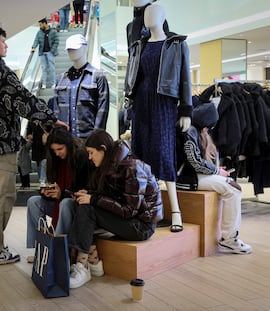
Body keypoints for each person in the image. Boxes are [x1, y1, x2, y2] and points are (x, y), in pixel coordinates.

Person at [0, 26, 68, 267]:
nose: (6, 45)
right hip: (1, 146)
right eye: (3, 41)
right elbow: (22, 99)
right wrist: (49, 119)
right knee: (3, 196)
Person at [124, 3, 192, 232]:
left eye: (153, 13)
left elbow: (185, 79)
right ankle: (145, 210)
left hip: (164, 103)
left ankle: (175, 211)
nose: (148, 17)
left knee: (164, 154)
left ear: (163, 16)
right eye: (145, 14)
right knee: (140, 156)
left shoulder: (177, 44)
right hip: (141, 104)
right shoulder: (138, 46)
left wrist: (186, 110)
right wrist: (129, 107)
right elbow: (133, 78)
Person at [68, 129, 163, 288]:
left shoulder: (131, 167)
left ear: (103, 149)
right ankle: (92, 262)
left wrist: (94, 198)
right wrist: (90, 194)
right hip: (131, 220)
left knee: (88, 209)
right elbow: (114, 196)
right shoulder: (112, 164)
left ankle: (83, 265)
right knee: (84, 204)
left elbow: (129, 210)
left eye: (91, 153)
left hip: (142, 226)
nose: (89, 158)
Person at [176, 103, 252, 254]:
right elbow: (195, 163)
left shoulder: (191, 128)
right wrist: (216, 170)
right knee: (233, 189)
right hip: (187, 179)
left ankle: (229, 238)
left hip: (190, 176)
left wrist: (216, 172)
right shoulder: (190, 131)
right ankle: (229, 239)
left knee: (231, 186)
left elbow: (195, 162)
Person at [26, 127, 91, 261]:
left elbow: (83, 192)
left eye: (60, 149)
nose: (57, 153)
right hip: (60, 201)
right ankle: (41, 247)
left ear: (68, 145)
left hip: (76, 206)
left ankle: (57, 249)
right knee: (33, 201)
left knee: (66, 203)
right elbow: (56, 185)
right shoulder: (55, 160)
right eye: (54, 150)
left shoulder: (81, 157)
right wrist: (47, 192)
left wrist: (62, 194)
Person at [52, 34, 110, 139]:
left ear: (85, 48)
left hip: (88, 141)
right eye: (69, 49)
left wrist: (95, 140)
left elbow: (102, 110)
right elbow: (57, 111)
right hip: (66, 141)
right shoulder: (60, 79)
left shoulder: (98, 76)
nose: (72, 52)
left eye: (75, 49)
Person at [31, 17, 59, 89]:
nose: (40, 26)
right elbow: (36, 40)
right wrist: (33, 47)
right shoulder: (39, 32)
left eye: (40, 25)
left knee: (51, 68)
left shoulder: (53, 31)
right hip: (42, 53)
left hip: (50, 52)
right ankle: (44, 84)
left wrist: (52, 50)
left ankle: (53, 83)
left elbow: (57, 41)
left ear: (44, 23)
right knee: (44, 68)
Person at [26, 120, 49, 187]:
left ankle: (42, 179)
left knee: (44, 162)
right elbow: (29, 131)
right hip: (36, 145)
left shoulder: (45, 120)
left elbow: (50, 128)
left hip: (44, 145)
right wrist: (29, 135)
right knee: (39, 163)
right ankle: (40, 179)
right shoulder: (31, 122)